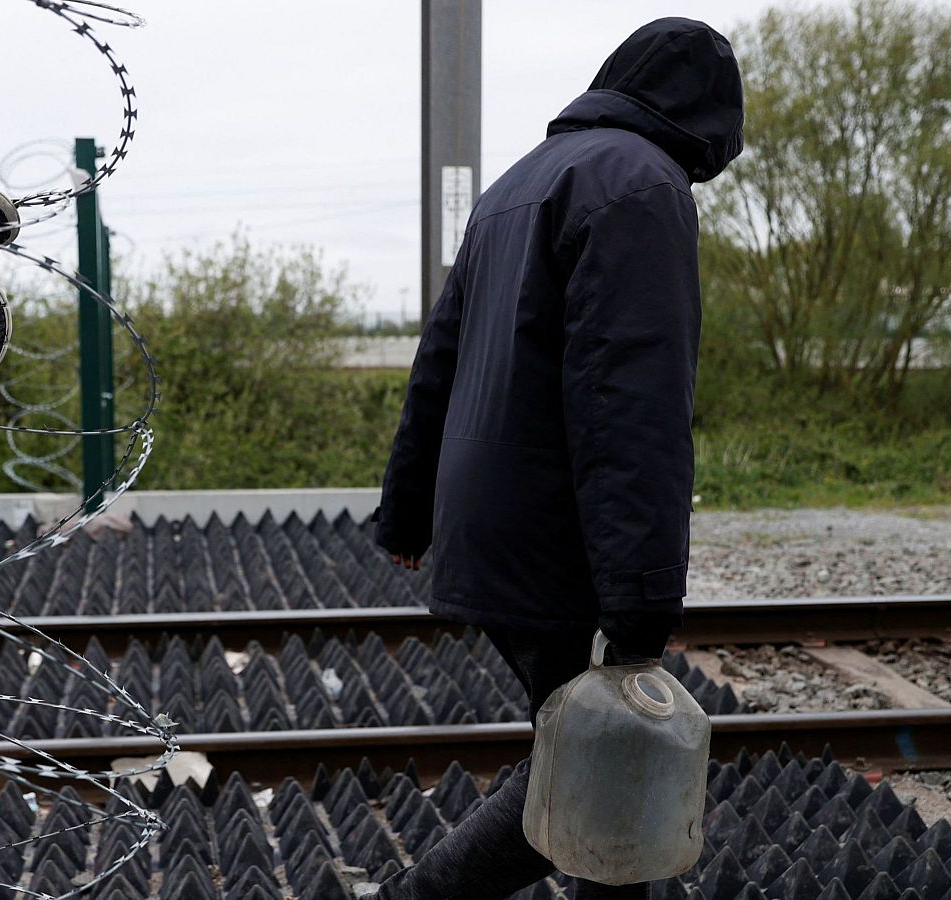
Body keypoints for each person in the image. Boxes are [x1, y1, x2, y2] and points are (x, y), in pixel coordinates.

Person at [367, 18, 744, 900]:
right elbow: (632, 407)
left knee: (599, 768)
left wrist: (407, 512)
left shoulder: (521, 183)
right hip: (556, 534)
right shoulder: (641, 187)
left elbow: (439, 359)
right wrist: (642, 598)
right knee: (593, 767)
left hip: (496, 521)